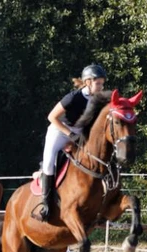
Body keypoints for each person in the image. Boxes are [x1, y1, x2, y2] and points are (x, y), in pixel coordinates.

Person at [38, 64, 107, 222]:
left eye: (102, 84)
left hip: (80, 133)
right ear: (88, 82)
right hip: (60, 131)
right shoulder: (73, 97)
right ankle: (46, 204)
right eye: (98, 83)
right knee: (49, 164)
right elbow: (52, 117)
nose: (101, 87)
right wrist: (69, 134)